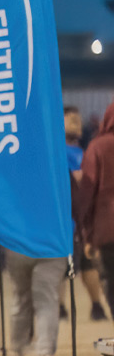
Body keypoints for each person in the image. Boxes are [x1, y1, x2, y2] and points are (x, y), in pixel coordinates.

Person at [68, 105, 109, 320]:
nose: (78, 124)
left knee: (89, 266)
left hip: (85, 223)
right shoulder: (56, 152)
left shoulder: (86, 151)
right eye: (72, 120)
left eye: (78, 119)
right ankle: (61, 309)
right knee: (63, 269)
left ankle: (96, 305)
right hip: (68, 221)